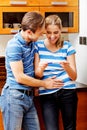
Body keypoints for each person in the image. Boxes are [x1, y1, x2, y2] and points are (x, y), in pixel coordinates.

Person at [0, 12, 63, 130]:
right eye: (40, 34)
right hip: (14, 97)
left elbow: (35, 70)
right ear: (29, 32)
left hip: (29, 97)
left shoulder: (32, 43)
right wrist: (45, 84)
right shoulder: (14, 45)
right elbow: (20, 77)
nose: (41, 36)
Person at [34, 14, 78, 130]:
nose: (52, 36)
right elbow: (37, 75)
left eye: (56, 32)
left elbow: (74, 77)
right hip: (48, 94)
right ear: (44, 31)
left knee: (70, 128)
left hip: (67, 92)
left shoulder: (67, 46)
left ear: (61, 31)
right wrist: (41, 69)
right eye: (49, 32)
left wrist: (67, 67)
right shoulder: (37, 46)